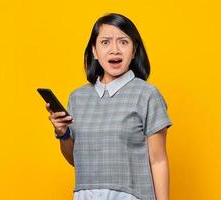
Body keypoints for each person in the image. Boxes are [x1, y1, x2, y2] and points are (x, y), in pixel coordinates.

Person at [46, 13, 172, 200]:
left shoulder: (147, 94)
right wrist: (63, 133)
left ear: (134, 50)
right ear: (95, 51)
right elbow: (78, 160)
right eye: (105, 42)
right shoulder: (78, 98)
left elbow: (158, 160)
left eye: (123, 42)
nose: (115, 50)